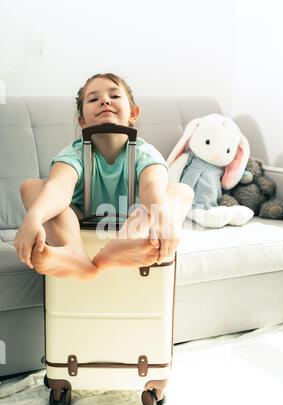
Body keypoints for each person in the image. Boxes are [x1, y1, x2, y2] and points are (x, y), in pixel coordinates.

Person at [14, 73, 194, 279]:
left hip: (136, 222)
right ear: (82, 121)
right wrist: (33, 218)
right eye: (93, 99)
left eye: (115, 96)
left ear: (133, 113)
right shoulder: (74, 154)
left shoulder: (145, 153)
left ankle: (123, 244)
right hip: (80, 220)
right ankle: (73, 251)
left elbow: (151, 187)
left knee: (181, 191)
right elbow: (58, 188)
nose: (105, 100)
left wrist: (163, 218)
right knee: (30, 187)